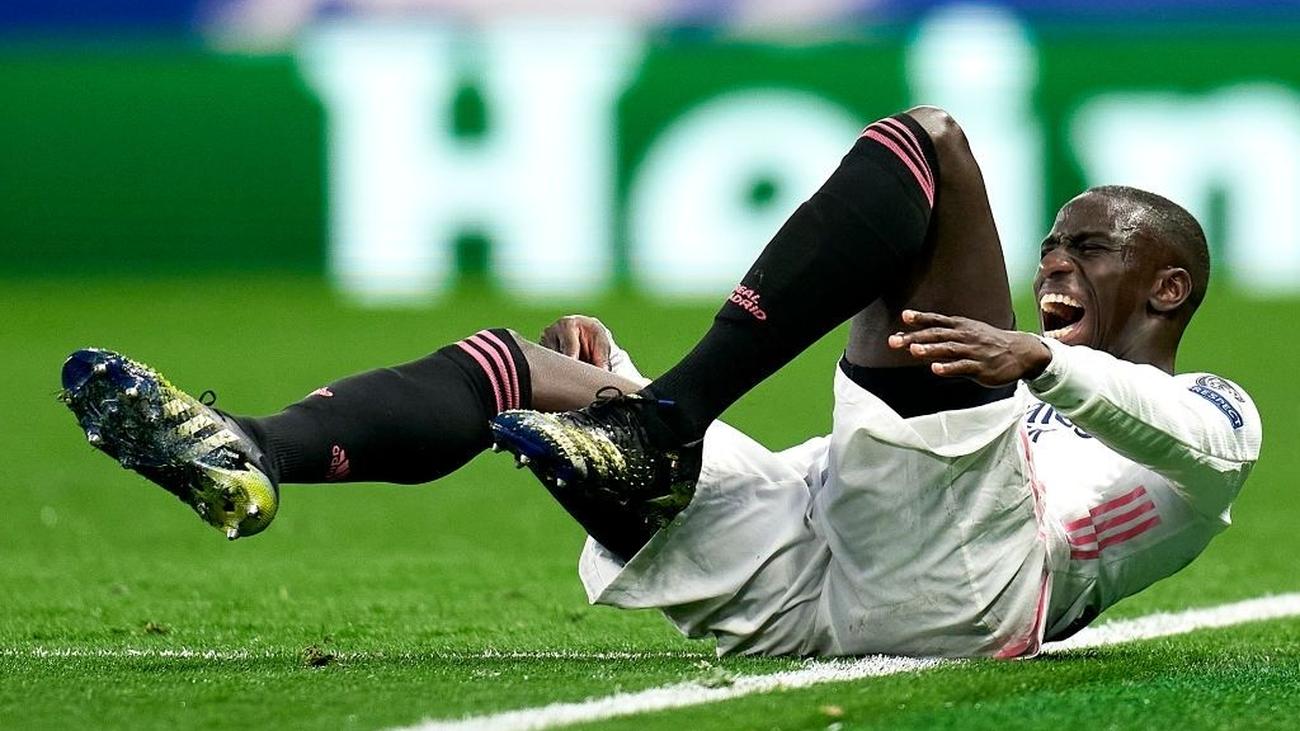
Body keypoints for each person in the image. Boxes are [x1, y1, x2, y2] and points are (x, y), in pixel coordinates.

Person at [60, 107, 1260, 659]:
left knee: (931, 150)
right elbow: (849, 473)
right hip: (807, 565)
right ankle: (252, 449)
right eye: (1047, 246)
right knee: (524, 368)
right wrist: (617, 386)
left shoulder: (1211, 410)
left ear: (1167, 288)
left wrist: (1040, 357)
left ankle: (667, 423)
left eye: (1086, 249)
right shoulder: (1001, 383)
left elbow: (1201, 447)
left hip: (968, 585)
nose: (1050, 265)